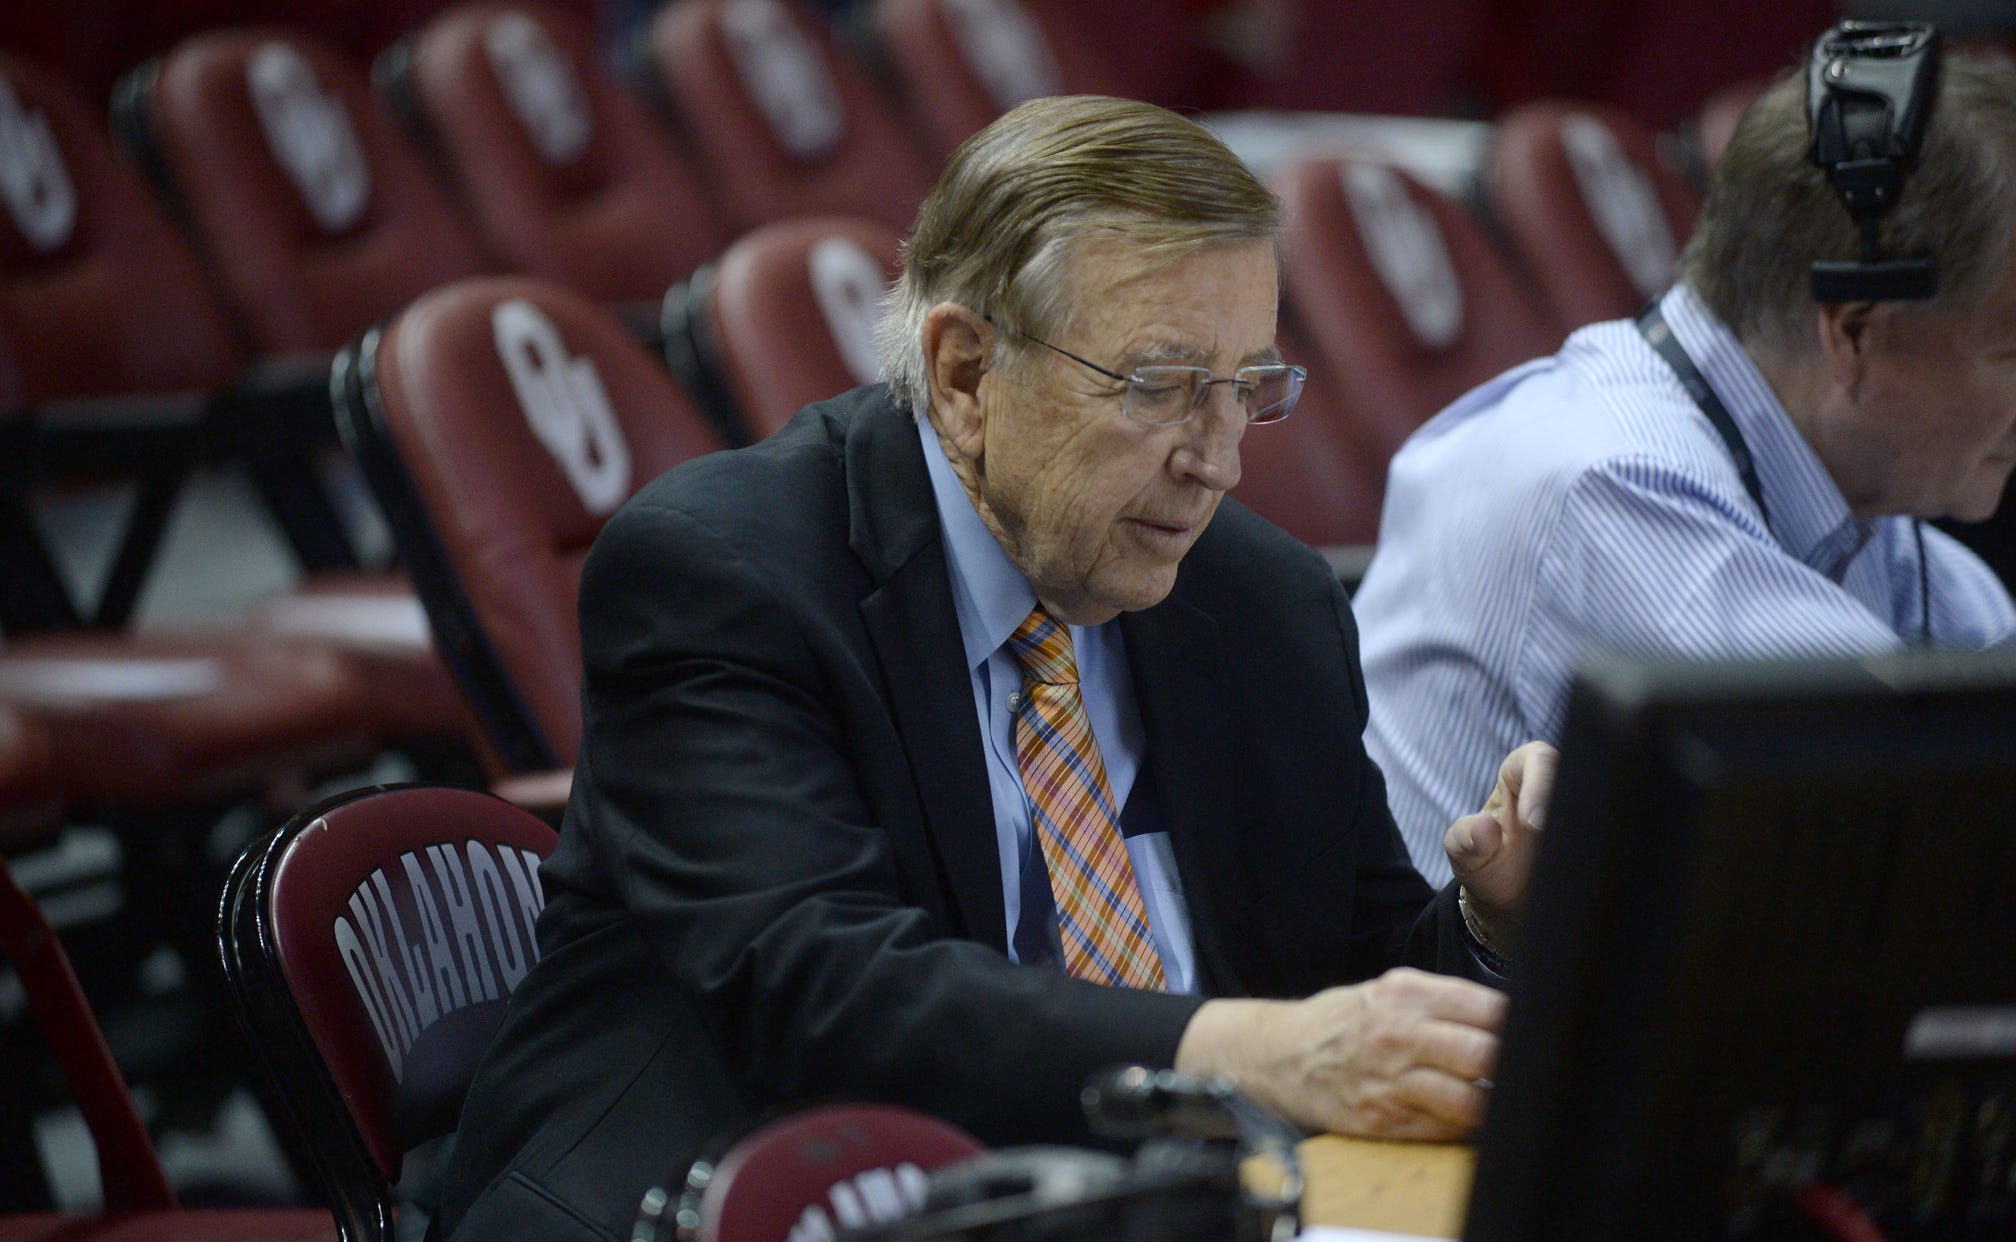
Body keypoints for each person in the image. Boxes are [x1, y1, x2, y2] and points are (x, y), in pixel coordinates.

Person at [432, 95, 1549, 1241]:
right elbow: (824, 991)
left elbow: (1345, 982)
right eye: (1159, 385)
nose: (1215, 461)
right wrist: (1234, 1055)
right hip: (756, 1198)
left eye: (1246, 387)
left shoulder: (1264, 601)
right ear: (966, 374)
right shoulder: (729, 574)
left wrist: (1491, 920)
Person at [1354, 47, 2016, 885]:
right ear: (1853, 331)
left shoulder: (1883, 532)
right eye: (2012, 350)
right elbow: (1935, 847)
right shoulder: (1612, 484)